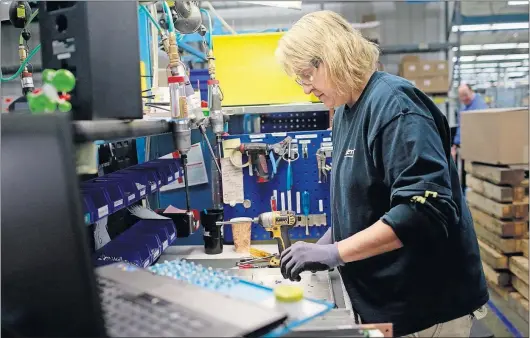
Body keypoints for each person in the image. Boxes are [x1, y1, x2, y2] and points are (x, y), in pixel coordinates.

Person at [275, 11, 488, 337]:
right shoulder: (345, 111)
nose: (306, 90)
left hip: (426, 306)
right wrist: (324, 248)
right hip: (386, 299)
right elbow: (364, 203)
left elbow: (423, 211)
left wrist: (335, 253)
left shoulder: (396, 106)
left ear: (331, 57)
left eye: (306, 75)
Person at [452, 84, 489, 160]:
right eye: (461, 96)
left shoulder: (479, 107)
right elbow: (461, 127)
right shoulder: (466, 107)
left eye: (465, 95)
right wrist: (455, 145)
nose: (463, 98)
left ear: (471, 91)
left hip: (476, 150)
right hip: (466, 147)